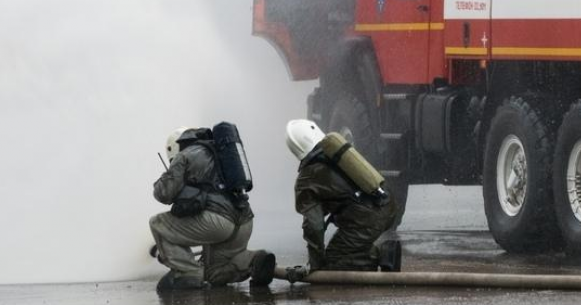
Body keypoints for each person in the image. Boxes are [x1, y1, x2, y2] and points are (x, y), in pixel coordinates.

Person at [150, 126, 275, 291]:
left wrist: (166, 177)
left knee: (157, 223)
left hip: (217, 223)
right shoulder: (219, 151)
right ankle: (252, 260)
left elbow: (163, 193)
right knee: (214, 273)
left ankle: (187, 273)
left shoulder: (184, 155)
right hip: (244, 222)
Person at [286, 119, 401, 277]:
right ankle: (371, 252)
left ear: (295, 149)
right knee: (347, 247)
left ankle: (381, 255)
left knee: (335, 263)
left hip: (368, 220)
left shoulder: (307, 178)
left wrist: (315, 265)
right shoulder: (337, 153)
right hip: (388, 206)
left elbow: (314, 226)